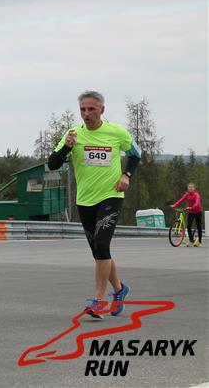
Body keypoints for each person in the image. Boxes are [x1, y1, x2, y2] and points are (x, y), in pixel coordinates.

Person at [48, 90, 141, 319]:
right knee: (99, 251)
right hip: (85, 200)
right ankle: (119, 289)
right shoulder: (73, 134)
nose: (86, 114)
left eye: (91, 109)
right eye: (83, 109)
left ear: (102, 110)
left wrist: (126, 175)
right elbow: (53, 164)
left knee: (101, 245)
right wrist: (67, 147)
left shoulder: (116, 132)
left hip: (111, 196)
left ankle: (98, 301)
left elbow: (136, 154)